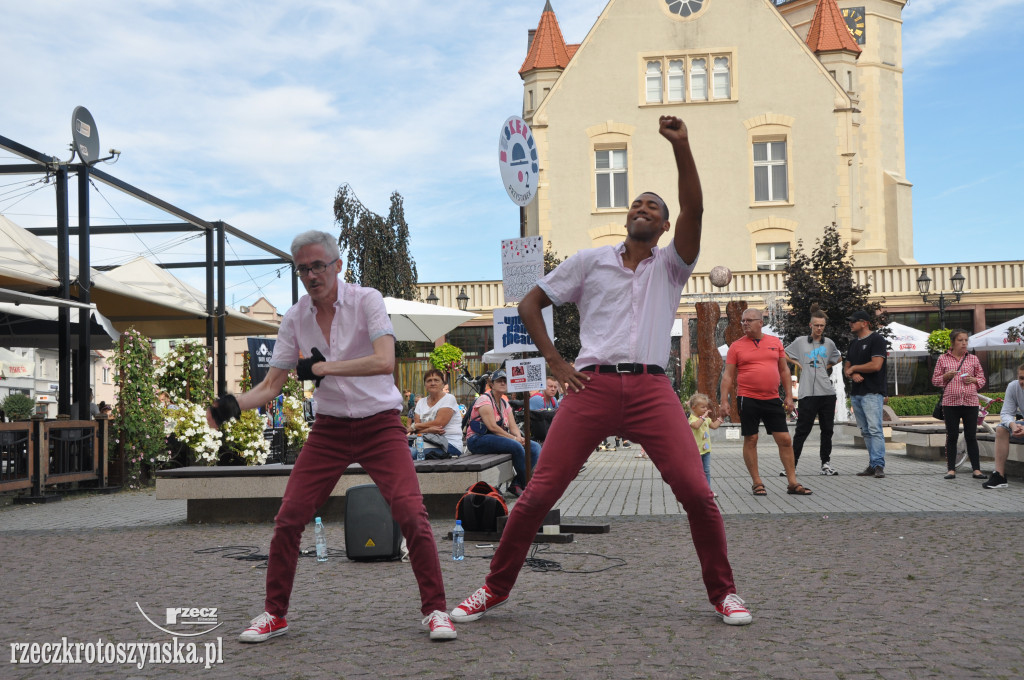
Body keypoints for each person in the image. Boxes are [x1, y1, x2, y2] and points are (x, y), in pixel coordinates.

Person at [451, 115, 753, 627]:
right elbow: (531, 304)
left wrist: (682, 145)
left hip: (652, 387)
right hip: (590, 386)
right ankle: (492, 590)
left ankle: (723, 593)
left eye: (653, 207)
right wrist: (555, 361)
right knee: (539, 492)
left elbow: (695, 208)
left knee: (698, 493)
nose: (642, 208)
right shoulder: (590, 261)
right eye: (637, 203)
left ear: (663, 227)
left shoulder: (672, 266)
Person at [207, 230, 455, 644]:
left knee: (411, 513)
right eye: (302, 268)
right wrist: (234, 404)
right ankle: (275, 613)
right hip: (331, 430)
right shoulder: (295, 317)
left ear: (337, 265)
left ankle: (435, 610)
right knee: (289, 517)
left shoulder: (367, 300)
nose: (310, 275)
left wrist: (323, 369)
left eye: (318, 265)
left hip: (380, 424)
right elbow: (272, 385)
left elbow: (383, 360)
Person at [719, 308, 812, 496]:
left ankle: (792, 483)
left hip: (771, 398)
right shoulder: (736, 346)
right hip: (747, 398)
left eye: (749, 320)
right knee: (751, 438)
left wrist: (788, 396)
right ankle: (757, 482)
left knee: (785, 439)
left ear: (760, 322)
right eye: (743, 321)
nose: (745, 323)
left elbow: (784, 371)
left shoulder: (775, 342)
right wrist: (724, 401)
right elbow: (728, 376)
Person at [785, 307, 843, 476]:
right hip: (807, 394)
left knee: (827, 430)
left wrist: (827, 366)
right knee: (802, 430)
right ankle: (792, 465)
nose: (819, 328)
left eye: (822, 326)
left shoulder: (829, 343)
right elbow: (783, 352)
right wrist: (798, 363)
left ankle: (826, 463)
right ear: (810, 325)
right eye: (816, 325)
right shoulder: (800, 341)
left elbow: (838, 357)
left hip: (826, 393)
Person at [465, 369, 540, 497]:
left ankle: (517, 484)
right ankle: (528, 485)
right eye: (499, 381)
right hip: (477, 439)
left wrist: (519, 437)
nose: (503, 383)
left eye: (505, 381)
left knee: (534, 447)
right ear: (491, 384)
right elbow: (492, 427)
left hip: (495, 438)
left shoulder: (505, 402)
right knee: (515, 446)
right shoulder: (485, 399)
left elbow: (513, 426)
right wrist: (514, 439)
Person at [931, 329, 986, 480]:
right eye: (960, 340)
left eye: (966, 340)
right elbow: (935, 380)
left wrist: (974, 380)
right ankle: (951, 470)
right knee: (952, 436)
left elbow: (982, 379)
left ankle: (976, 469)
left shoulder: (973, 359)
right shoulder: (943, 359)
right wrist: (945, 376)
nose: (964, 343)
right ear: (953, 342)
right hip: (950, 403)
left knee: (971, 436)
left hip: (970, 402)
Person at [844, 310, 888, 478]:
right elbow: (846, 366)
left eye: (854, 321)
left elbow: (876, 365)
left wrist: (855, 368)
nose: (850, 324)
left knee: (875, 429)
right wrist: (851, 372)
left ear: (865, 323)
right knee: (866, 431)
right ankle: (872, 463)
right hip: (857, 393)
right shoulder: (853, 343)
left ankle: (878, 465)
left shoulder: (877, 339)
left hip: (872, 391)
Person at [982, 363, 1024, 489]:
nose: (1023, 381)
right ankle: (999, 476)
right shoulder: (1013, 387)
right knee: (1001, 428)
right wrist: (1013, 425)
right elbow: (1006, 413)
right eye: (1021, 378)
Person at [408, 368, 463, 458]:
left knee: (410, 453)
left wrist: (416, 426)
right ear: (425, 385)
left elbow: (439, 424)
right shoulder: (421, 402)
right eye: (429, 381)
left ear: (442, 384)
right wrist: (429, 430)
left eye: (436, 380)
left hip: (449, 445)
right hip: (424, 442)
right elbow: (417, 431)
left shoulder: (449, 398)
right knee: (398, 450)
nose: (432, 383)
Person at [687, 393, 722, 496]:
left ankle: (707, 491)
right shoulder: (692, 419)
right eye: (702, 407)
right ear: (694, 408)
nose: (705, 409)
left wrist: (721, 418)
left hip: (706, 450)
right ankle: (694, 490)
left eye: (706, 407)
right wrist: (703, 417)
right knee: (696, 472)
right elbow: (696, 426)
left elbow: (714, 426)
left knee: (706, 471)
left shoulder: (706, 419)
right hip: (695, 451)